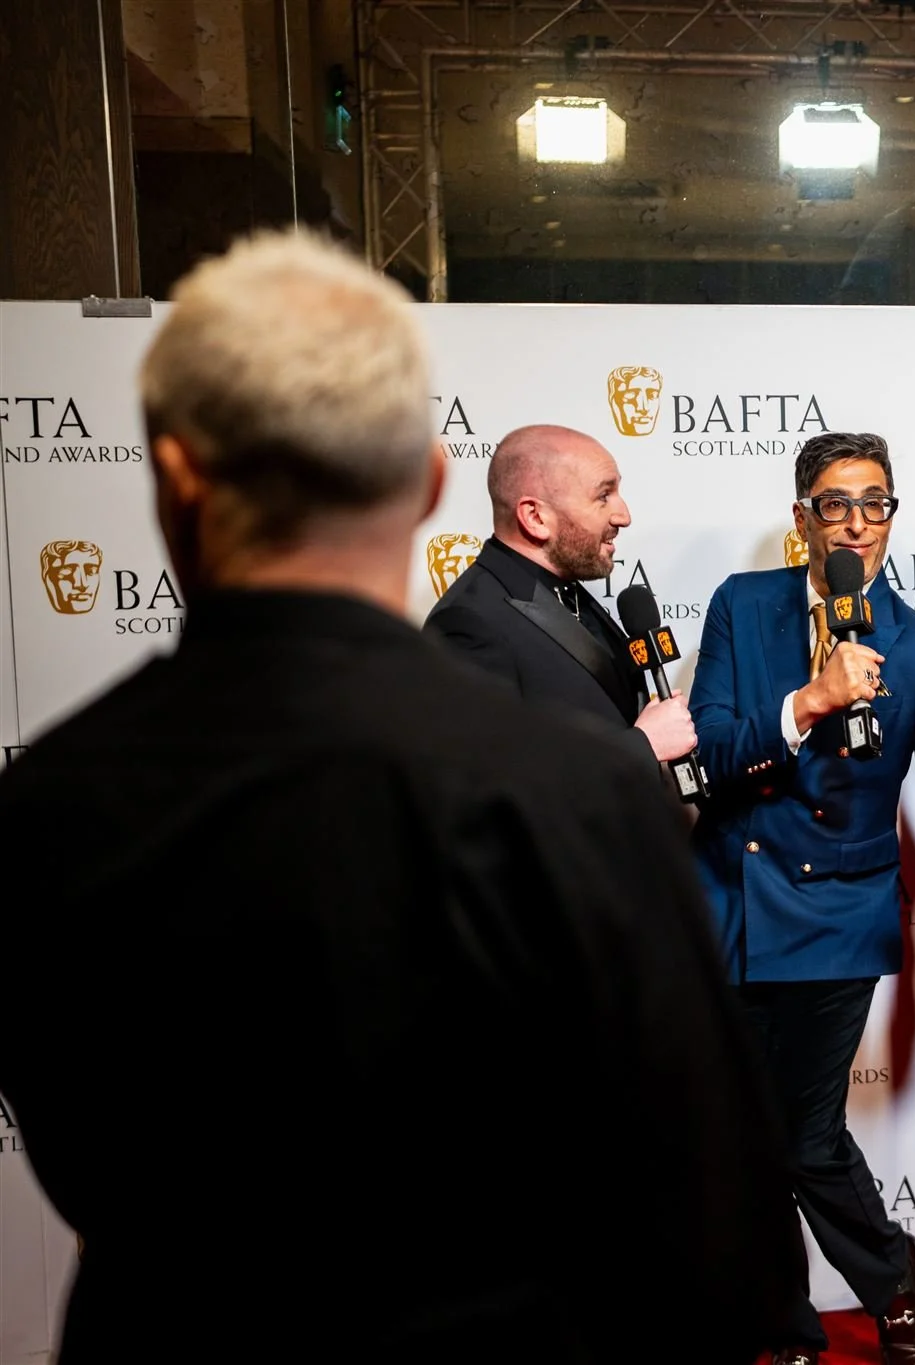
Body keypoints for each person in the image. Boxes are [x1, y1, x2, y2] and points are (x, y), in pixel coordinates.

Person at [0, 232, 796, 1364]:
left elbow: (73, 1146)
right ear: (429, 483)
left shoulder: (44, 799)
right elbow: (720, 1219)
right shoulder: (575, 785)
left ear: (174, 477)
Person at [688, 431, 915, 1365]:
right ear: (803, 519)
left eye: (876, 503)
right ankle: (783, 1321)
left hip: (838, 912)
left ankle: (891, 1277)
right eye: (836, 504)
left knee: (805, 1134)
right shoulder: (742, 605)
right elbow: (707, 754)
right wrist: (809, 701)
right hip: (726, 897)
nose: (858, 524)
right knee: (740, 1136)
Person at [424, 423, 699, 770]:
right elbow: (485, 780)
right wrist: (643, 745)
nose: (624, 516)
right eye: (603, 496)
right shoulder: (467, 624)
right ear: (536, 517)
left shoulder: (568, 592)